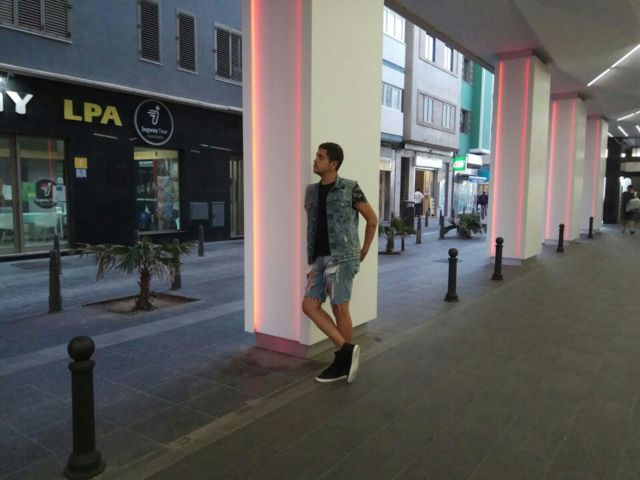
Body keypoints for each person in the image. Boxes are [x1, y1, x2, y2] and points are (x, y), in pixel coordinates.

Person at [302, 142, 378, 383]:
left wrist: (363, 250)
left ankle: (342, 363)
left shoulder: (350, 188)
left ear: (333, 164)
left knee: (339, 309)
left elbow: (372, 219)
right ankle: (346, 351)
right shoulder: (311, 191)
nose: (315, 160)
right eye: (316, 156)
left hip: (342, 257)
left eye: (320, 157)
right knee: (309, 306)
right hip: (318, 259)